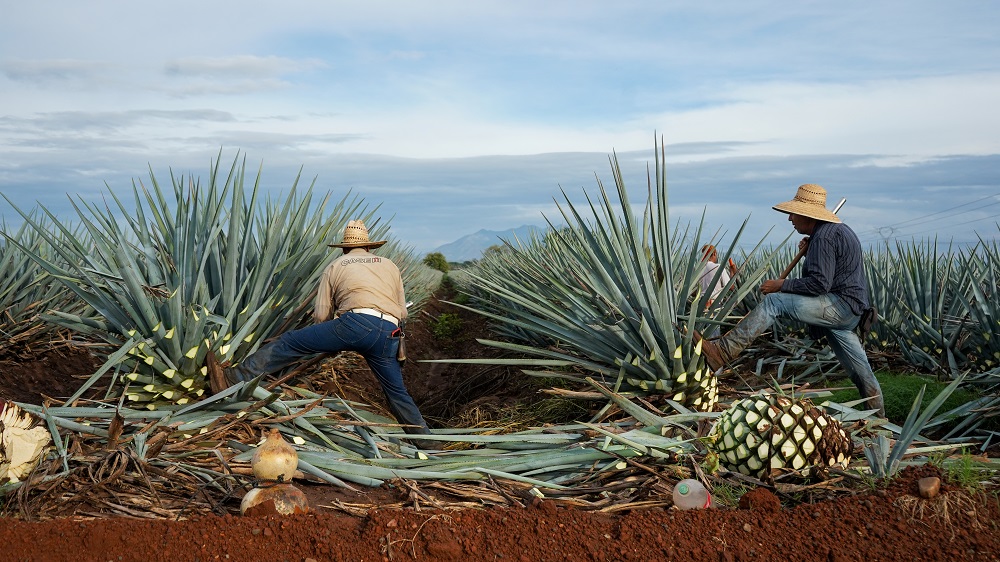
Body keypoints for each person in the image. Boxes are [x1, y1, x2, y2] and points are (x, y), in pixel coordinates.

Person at [224, 219, 434, 443]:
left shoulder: (336, 266)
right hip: (389, 333)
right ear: (370, 246)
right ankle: (427, 441)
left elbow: (322, 314)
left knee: (291, 341)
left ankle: (239, 376)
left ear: (344, 248)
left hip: (354, 324)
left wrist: (330, 337)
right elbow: (402, 310)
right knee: (396, 392)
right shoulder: (389, 265)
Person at [698, 184, 885, 417]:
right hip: (852, 311)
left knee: (773, 302)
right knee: (860, 371)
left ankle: (723, 352)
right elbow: (832, 272)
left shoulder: (824, 237)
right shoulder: (834, 232)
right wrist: (811, 252)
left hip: (840, 306)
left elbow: (819, 284)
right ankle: (878, 420)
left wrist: (781, 285)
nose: (790, 218)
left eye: (794, 213)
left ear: (807, 214)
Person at [696, 245, 736, 337]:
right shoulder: (718, 267)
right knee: (713, 333)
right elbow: (731, 287)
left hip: (701, 303)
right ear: (714, 253)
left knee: (701, 332)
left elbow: (696, 290)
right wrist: (732, 272)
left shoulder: (698, 269)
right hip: (714, 304)